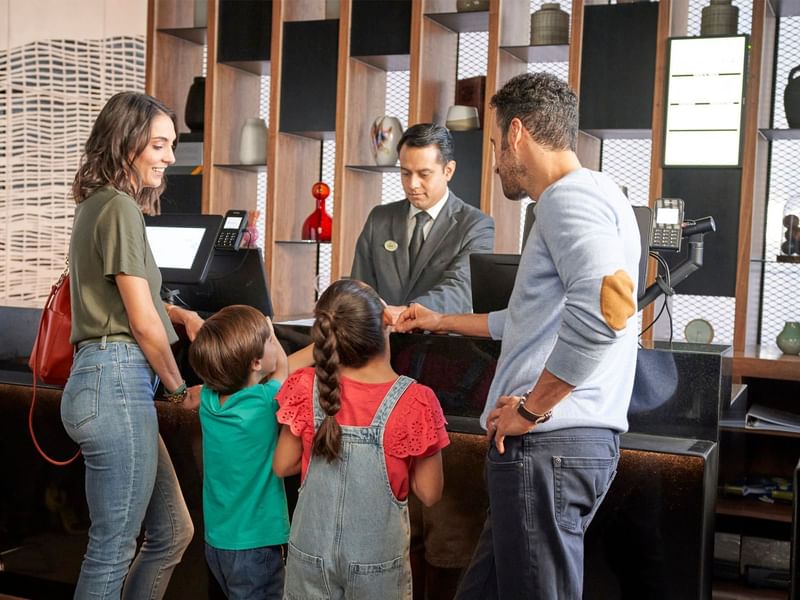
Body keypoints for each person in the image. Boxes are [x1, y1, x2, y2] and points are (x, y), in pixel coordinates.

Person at [395, 72, 641, 599]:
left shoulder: (564, 199)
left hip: (545, 446)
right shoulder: (603, 194)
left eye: (494, 145)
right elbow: (527, 319)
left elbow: (608, 312)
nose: (497, 162)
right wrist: (438, 320)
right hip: (557, 447)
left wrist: (532, 409)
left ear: (516, 134)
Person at [62, 91, 204, 598]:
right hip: (116, 384)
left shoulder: (96, 205)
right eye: (160, 144)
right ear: (127, 142)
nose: (169, 157)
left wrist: (181, 313)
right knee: (112, 547)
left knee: (172, 532)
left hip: (104, 385)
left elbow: (126, 299)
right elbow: (140, 323)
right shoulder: (120, 208)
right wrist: (176, 387)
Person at [272, 278, 449, 599]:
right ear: (385, 321)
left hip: (309, 554)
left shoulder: (305, 386)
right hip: (376, 563)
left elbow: (283, 465)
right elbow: (430, 492)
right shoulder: (416, 400)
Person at [188, 305, 312, 600]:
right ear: (256, 362)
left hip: (217, 544)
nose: (275, 344)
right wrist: (269, 329)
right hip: (256, 545)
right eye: (271, 341)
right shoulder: (265, 400)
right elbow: (282, 368)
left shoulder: (208, 400)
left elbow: (276, 369)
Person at [350, 123, 495, 318]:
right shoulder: (379, 218)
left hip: (439, 344)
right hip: (379, 339)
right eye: (405, 173)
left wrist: (407, 312)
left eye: (424, 174)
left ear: (448, 171)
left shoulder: (476, 225)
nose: (412, 184)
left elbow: (460, 289)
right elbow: (360, 286)